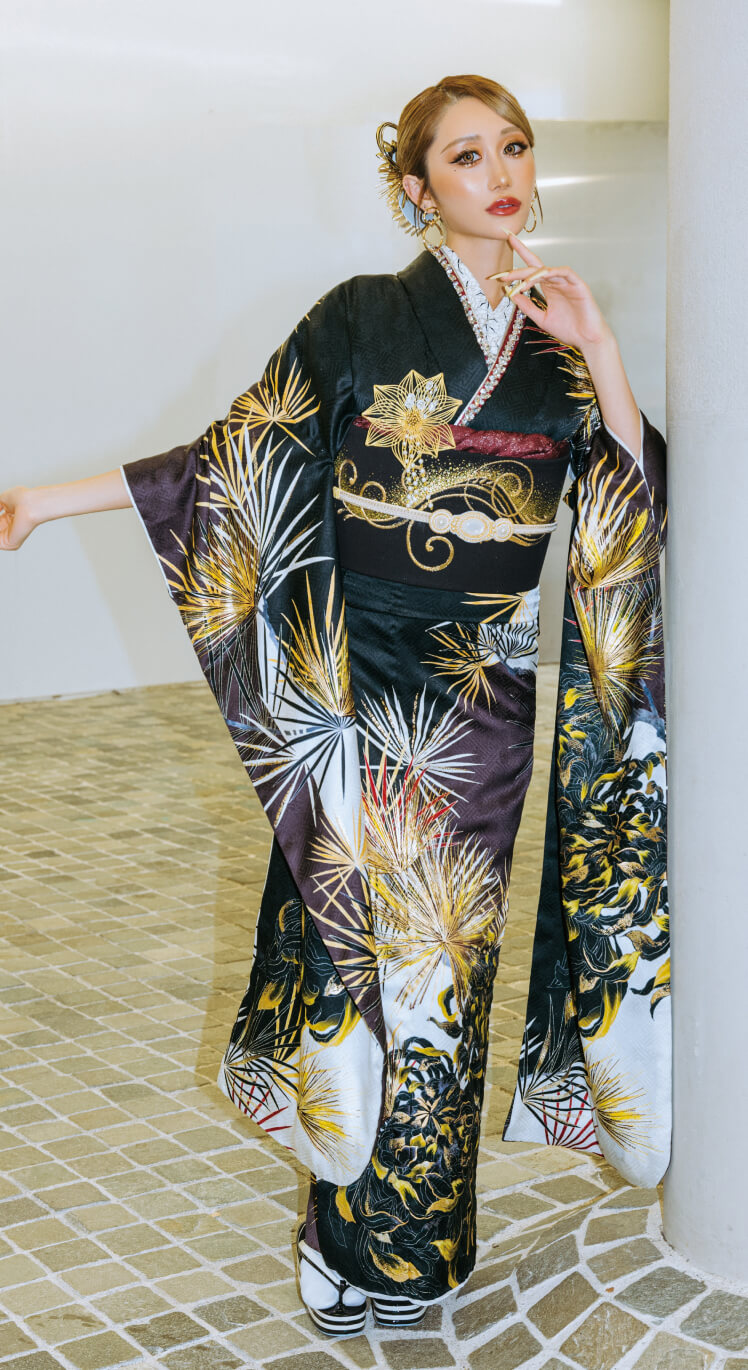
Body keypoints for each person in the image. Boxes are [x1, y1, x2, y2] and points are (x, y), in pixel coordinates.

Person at [0, 74, 668, 1337]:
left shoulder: (561, 343)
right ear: (415, 188)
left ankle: (407, 1252)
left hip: (484, 701)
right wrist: (48, 499)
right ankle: (335, 1222)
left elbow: (634, 498)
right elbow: (232, 458)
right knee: (358, 952)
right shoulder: (359, 317)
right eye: (464, 156)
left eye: (513, 147)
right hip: (362, 685)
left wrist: (603, 351)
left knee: (447, 974)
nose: (499, 174)